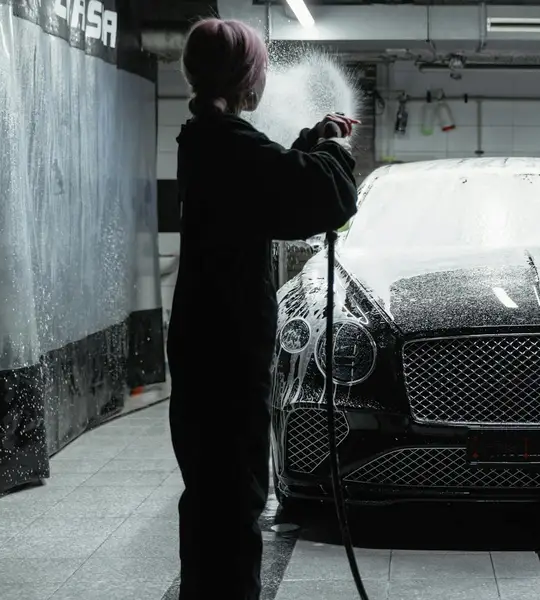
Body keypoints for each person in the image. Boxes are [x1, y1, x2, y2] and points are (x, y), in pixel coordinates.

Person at [166, 18, 359, 600]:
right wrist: (333, 150)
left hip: (208, 345)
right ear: (245, 76)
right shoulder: (227, 145)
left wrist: (311, 142)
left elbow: (270, 187)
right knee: (231, 499)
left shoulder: (212, 141)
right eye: (261, 72)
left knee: (214, 497)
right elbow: (318, 196)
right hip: (225, 353)